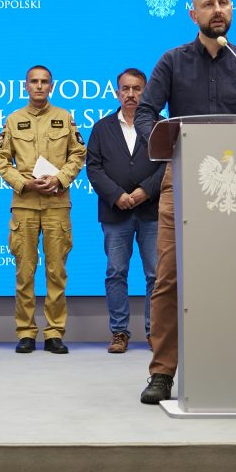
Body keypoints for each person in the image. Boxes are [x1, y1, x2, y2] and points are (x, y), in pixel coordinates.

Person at [134, 0, 236, 404]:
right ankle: (163, 373)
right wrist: (164, 143)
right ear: (194, 14)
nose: (218, 10)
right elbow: (146, 113)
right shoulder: (172, 61)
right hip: (182, 184)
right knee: (169, 279)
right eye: (209, 4)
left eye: (224, 2)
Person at [0, 65, 87, 354]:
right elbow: (2, 161)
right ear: (25, 86)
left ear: (51, 86)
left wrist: (59, 179)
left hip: (56, 205)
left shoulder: (64, 118)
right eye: (33, 82)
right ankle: (25, 332)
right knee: (24, 272)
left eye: (44, 82)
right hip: (24, 205)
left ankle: (54, 333)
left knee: (56, 272)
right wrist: (24, 183)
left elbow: (78, 153)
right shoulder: (13, 120)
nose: (38, 86)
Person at [85, 68, 166, 354]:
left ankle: (155, 332)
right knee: (116, 272)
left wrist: (146, 190)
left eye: (137, 89)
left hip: (153, 211)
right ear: (117, 92)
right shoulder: (102, 127)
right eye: (125, 89)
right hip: (115, 212)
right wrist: (116, 195)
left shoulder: (161, 125)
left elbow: (169, 164)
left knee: (156, 275)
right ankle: (119, 332)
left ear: (146, 92)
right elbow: (93, 168)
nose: (131, 94)